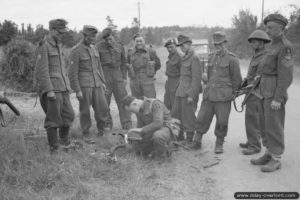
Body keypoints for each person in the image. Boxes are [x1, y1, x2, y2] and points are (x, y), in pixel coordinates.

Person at [251, 14, 294, 172]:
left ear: (281, 28)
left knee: (274, 126)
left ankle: (276, 159)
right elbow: (267, 68)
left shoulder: (285, 46)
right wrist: (258, 77)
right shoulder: (272, 45)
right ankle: (268, 153)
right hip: (264, 90)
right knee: (264, 124)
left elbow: (285, 76)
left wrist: (278, 98)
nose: (266, 30)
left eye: (270, 27)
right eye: (267, 27)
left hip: (274, 93)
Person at [190, 31, 242, 154]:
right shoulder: (211, 57)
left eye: (220, 44)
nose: (217, 46)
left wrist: (233, 93)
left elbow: (237, 79)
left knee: (222, 121)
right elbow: (208, 77)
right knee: (202, 118)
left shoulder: (232, 59)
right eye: (215, 44)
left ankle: (219, 144)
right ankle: (197, 141)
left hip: (224, 96)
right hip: (209, 95)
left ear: (225, 43)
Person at [35, 19, 75, 153]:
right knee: (53, 119)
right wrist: (49, 90)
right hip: (52, 88)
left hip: (63, 87)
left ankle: (64, 141)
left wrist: (67, 86)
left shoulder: (58, 45)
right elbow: (42, 70)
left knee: (69, 115)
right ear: (52, 30)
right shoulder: (44, 45)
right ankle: (54, 148)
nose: (62, 35)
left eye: (63, 32)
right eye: (59, 32)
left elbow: (62, 68)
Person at [69, 25, 108, 144]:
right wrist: (77, 90)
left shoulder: (93, 48)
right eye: (90, 37)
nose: (93, 39)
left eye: (94, 37)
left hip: (97, 84)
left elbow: (98, 67)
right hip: (84, 86)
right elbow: (72, 73)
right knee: (85, 111)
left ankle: (101, 130)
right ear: (84, 36)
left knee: (103, 108)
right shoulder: (76, 51)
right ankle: (86, 133)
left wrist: (103, 82)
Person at [239, 30, 271, 155]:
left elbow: (259, 77)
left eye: (254, 42)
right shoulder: (257, 55)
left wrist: (249, 87)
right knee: (251, 119)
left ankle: (254, 146)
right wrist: (245, 82)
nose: (251, 44)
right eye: (251, 42)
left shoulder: (264, 57)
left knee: (252, 119)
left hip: (256, 93)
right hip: (251, 91)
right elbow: (252, 75)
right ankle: (252, 140)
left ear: (261, 43)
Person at [96, 28, 132, 130]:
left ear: (113, 35)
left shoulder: (120, 46)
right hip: (105, 75)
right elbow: (96, 65)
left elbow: (124, 63)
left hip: (117, 74)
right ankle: (107, 124)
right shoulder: (98, 47)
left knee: (123, 99)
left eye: (110, 38)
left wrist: (124, 77)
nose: (108, 41)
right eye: (106, 39)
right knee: (104, 101)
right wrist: (100, 80)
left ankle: (127, 123)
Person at [171, 34, 203, 144]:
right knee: (175, 113)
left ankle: (189, 137)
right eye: (179, 46)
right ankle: (179, 136)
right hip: (180, 90)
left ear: (189, 44)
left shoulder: (195, 58)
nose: (181, 48)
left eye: (182, 45)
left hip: (188, 92)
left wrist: (191, 95)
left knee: (188, 115)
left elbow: (197, 79)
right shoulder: (185, 56)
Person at [128, 33, 161, 99]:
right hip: (135, 81)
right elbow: (128, 64)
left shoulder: (151, 51)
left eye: (141, 41)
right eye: (137, 41)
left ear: (144, 41)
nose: (139, 43)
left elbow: (158, 65)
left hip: (147, 81)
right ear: (134, 42)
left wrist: (151, 72)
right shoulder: (130, 53)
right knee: (136, 102)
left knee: (150, 101)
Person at [163, 39, 182, 111]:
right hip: (169, 82)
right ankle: (169, 120)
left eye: (171, 47)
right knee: (167, 103)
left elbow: (183, 72)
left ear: (175, 46)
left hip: (177, 82)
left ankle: (176, 121)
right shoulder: (170, 56)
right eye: (168, 47)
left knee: (175, 104)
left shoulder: (179, 56)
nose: (169, 49)